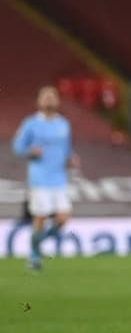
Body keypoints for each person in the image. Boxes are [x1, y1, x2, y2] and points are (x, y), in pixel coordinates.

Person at [11, 85, 81, 270]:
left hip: (60, 179)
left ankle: (36, 246)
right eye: (46, 97)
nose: (49, 99)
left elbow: (67, 149)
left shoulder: (63, 124)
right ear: (38, 101)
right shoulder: (30, 123)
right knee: (40, 219)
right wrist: (30, 151)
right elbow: (17, 147)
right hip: (40, 179)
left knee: (63, 217)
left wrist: (71, 159)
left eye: (52, 96)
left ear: (58, 101)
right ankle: (34, 258)